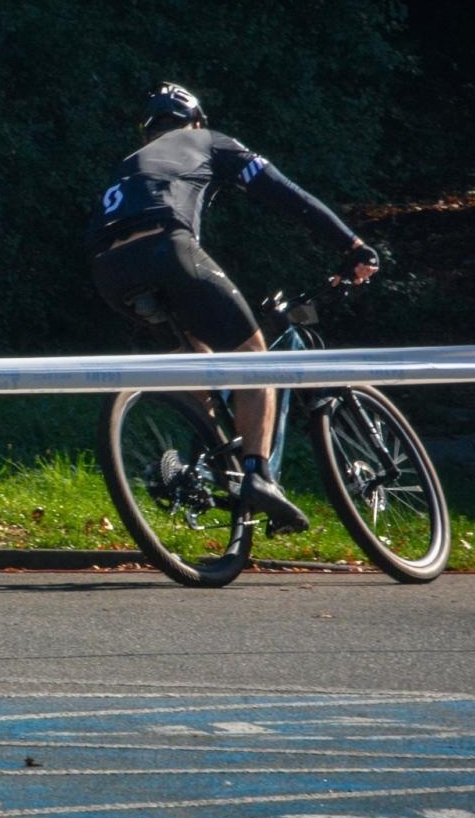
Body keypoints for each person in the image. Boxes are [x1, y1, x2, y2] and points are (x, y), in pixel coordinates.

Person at [87, 82, 380, 535]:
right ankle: (258, 475)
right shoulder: (209, 140)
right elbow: (287, 195)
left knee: (195, 358)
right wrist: (352, 245)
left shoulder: (130, 164)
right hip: (169, 249)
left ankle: (212, 464)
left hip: (109, 270)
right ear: (197, 121)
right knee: (252, 357)